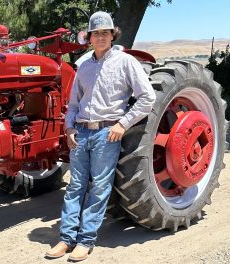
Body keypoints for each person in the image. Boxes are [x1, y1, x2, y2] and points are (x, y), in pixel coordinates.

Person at [45, 11, 156, 262]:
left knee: (99, 187)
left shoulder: (125, 62)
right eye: (96, 33)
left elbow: (148, 97)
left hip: (108, 133)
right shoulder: (84, 66)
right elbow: (73, 104)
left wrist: (123, 124)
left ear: (112, 35)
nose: (101, 37)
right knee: (75, 186)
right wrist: (69, 129)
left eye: (105, 32)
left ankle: (85, 241)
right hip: (81, 132)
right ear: (90, 38)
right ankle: (66, 238)